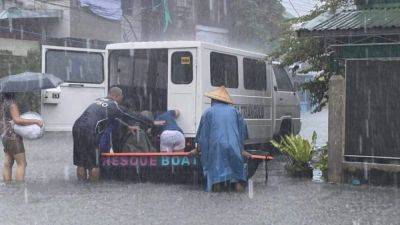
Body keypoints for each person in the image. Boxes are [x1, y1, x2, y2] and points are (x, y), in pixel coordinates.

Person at [72, 87, 155, 181]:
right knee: (94, 165)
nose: (121, 101)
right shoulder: (114, 106)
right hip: (91, 130)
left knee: (81, 163)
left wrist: (128, 126)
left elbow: (113, 117)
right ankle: (92, 190)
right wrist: (151, 122)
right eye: (121, 98)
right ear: (117, 96)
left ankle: (81, 188)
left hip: (77, 127)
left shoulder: (98, 101)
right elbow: (132, 115)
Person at [191, 86, 251, 192]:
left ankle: (216, 198)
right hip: (234, 147)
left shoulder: (208, 113)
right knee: (237, 177)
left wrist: (197, 150)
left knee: (216, 178)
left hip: (216, 148)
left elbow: (203, 137)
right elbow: (242, 132)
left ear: (213, 100)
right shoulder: (235, 112)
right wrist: (241, 150)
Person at [2, 92, 43, 183]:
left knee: (8, 163)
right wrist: (36, 121)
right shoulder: (12, 103)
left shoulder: (5, 102)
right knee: (22, 164)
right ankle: (19, 190)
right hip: (13, 138)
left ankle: (8, 186)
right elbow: (17, 120)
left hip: (5, 136)